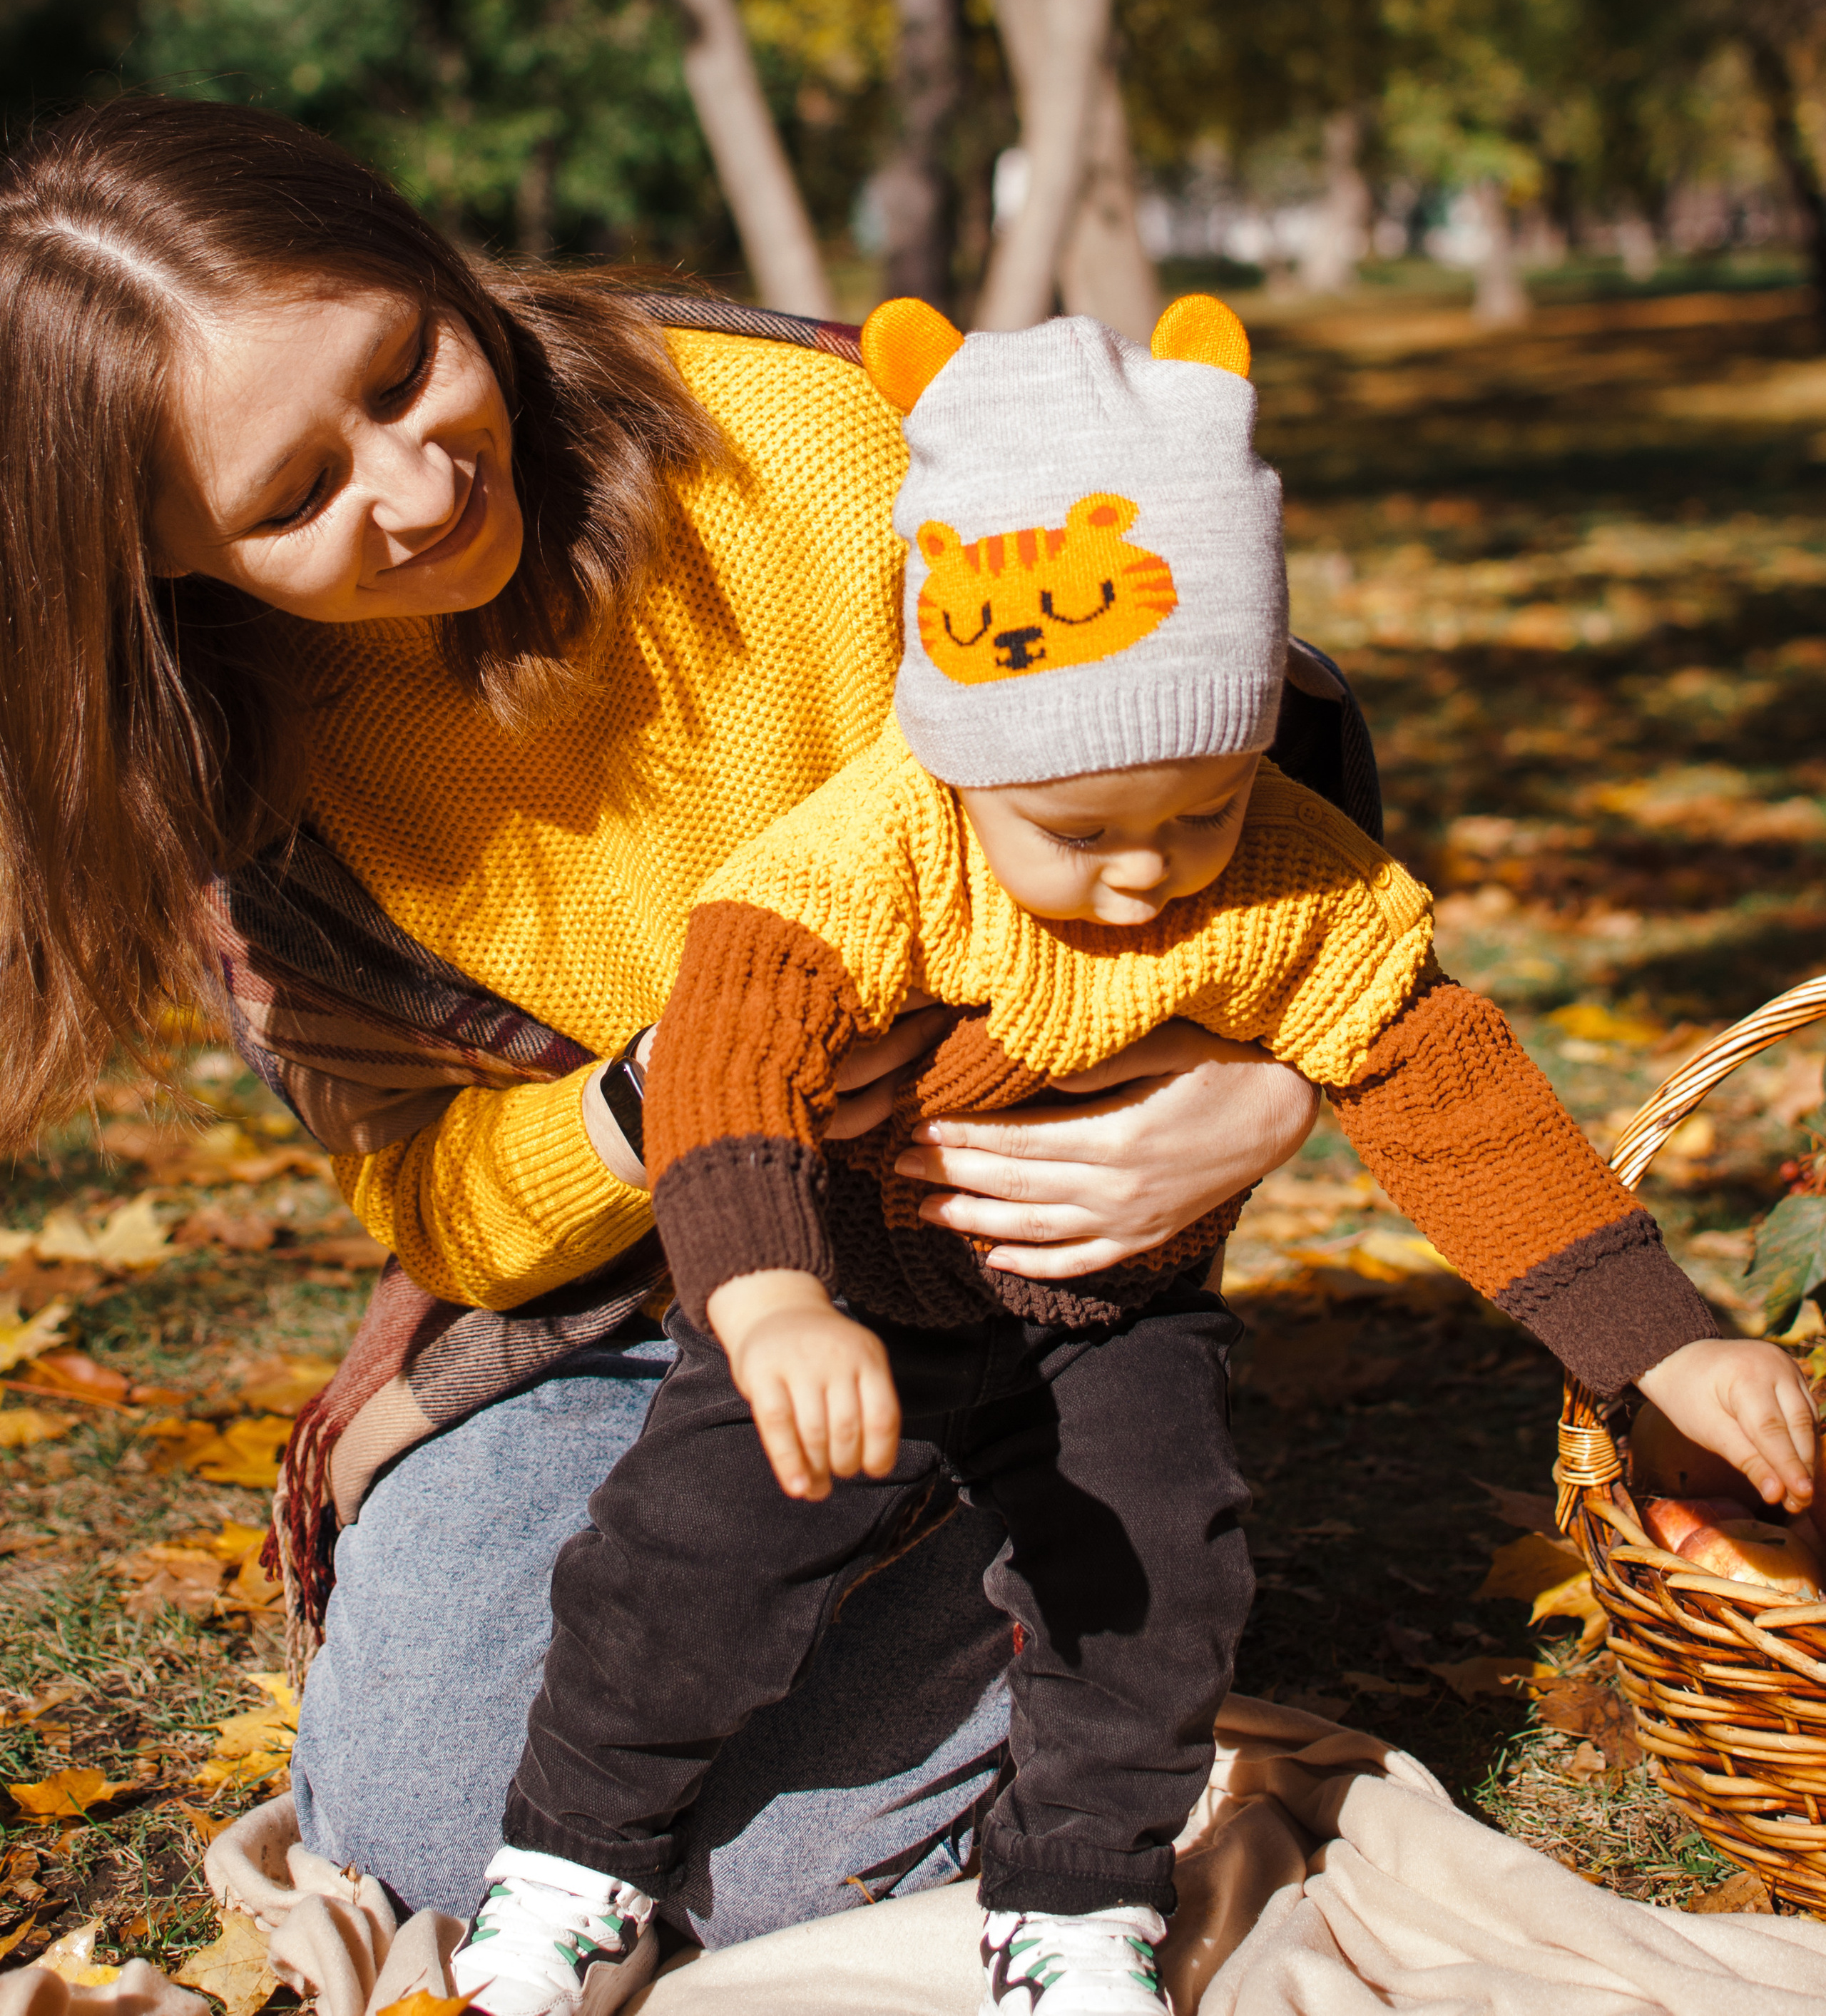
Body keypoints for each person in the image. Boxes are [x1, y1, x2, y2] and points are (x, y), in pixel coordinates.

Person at [0, 97, 1328, 1937]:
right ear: (158, 557)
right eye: (292, 496)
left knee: (763, 1868)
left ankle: (1057, 1550)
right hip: (641, 1302)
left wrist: (1255, 1083)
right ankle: (980, 1581)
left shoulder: (813, 440)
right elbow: (435, 1208)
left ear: (427, 260)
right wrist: (652, 1101)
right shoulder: (246, 791)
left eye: (401, 367)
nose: (414, 482)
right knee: (422, 1838)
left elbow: (1216, 754)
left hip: (993, 1247)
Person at [451, 296, 1819, 2016]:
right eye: (1080, 831)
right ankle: (574, 1860)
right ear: (953, 745)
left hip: (1112, 1310)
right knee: (683, 1562)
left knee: (1154, 1578)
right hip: (857, 1294)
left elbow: (1446, 1086)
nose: (1145, 875)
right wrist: (774, 1297)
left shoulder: (1287, 870)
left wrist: (1658, 1338)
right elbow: (728, 1055)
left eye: (1201, 806)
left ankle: (1078, 1897)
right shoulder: (865, 854)